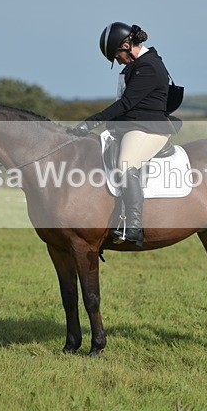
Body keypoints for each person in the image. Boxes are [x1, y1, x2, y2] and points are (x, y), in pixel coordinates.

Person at [69, 22, 179, 246]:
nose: (117, 60)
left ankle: (135, 226)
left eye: (117, 55)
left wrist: (92, 122)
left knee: (126, 164)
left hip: (149, 129)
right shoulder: (135, 66)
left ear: (127, 45)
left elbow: (126, 103)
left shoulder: (148, 67)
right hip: (133, 127)